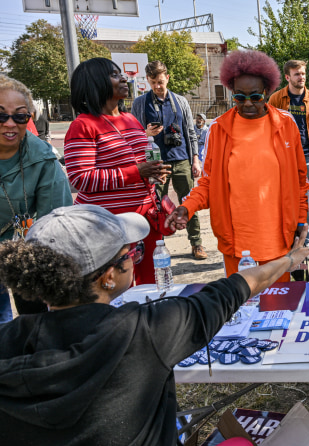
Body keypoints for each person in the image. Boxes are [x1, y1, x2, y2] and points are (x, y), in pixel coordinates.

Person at [0, 204, 309, 446]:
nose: (134, 259)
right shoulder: (146, 331)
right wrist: (290, 260)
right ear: (107, 277)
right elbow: (237, 287)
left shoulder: (7, 341)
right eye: (130, 254)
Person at [165, 50, 309, 281]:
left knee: (278, 310)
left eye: (256, 96)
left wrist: (301, 222)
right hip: (236, 244)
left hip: (279, 240)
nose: (248, 104)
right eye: (239, 97)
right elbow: (209, 182)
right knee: (241, 310)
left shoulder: (285, 124)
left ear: (267, 91)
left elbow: (300, 180)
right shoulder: (220, 128)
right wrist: (187, 207)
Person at [65, 58, 171, 286]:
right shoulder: (83, 125)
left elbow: (139, 164)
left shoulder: (129, 119)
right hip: (110, 230)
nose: (124, 77)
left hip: (144, 223)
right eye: (114, 75)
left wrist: (153, 173)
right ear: (94, 84)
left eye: (121, 73)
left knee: (151, 288)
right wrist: (137, 172)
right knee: (118, 295)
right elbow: (79, 178)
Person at [0, 76, 72, 322]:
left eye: (20, 116)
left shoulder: (42, 157)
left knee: (35, 320)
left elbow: (57, 218)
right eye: (1, 115)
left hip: (24, 247)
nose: (10, 124)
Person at [131, 60, 207, 260]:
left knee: (189, 202)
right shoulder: (140, 103)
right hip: (155, 163)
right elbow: (132, 135)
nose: (157, 86)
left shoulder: (180, 101)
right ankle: (159, 245)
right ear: (147, 80)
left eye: (161, 82)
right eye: (153, 82)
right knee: (156, 207)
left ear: (168, 78)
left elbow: (191, 132)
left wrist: (196, 159)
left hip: (182, 158)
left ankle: (196, 242)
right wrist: (144, 133)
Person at [268, 59, 309, 191]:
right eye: (297, 74)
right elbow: (269, 128)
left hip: (308, 158)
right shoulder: (276, 99)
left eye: (303, 74)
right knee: (286, 195)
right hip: (285, 156)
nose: (302, 77)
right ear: (287, 77)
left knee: (308, 199)